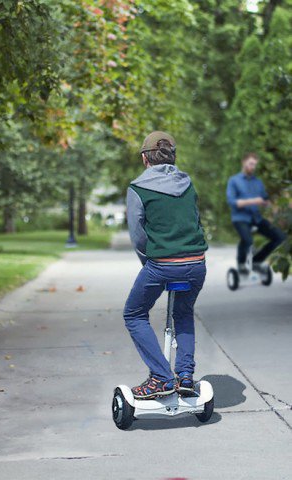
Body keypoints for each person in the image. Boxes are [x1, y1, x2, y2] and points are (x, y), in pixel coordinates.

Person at [123, 131, 208, 399]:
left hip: (162, 264)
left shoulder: (137, 188)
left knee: (134, 314)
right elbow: (196, 220)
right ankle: (185, 376)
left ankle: (161, 377)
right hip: (196, 263)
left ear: (145, 159)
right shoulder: (188, 183)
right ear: (173, 157)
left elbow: (138, 235)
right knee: (183, 313)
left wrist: (149, 263)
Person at [226, 152, 286, 274]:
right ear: (244, 162)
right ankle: (242, 265)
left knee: (280, 237)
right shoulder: (234, 181)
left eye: (255, 165)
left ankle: (256, 261)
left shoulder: (258, 182)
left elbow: (265, 200)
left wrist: (274, 210)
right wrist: (253, 200)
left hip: (256, 218)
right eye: (251, 164)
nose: (252, 167)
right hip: (240, 218)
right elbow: (232, 202)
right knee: (248, 240)